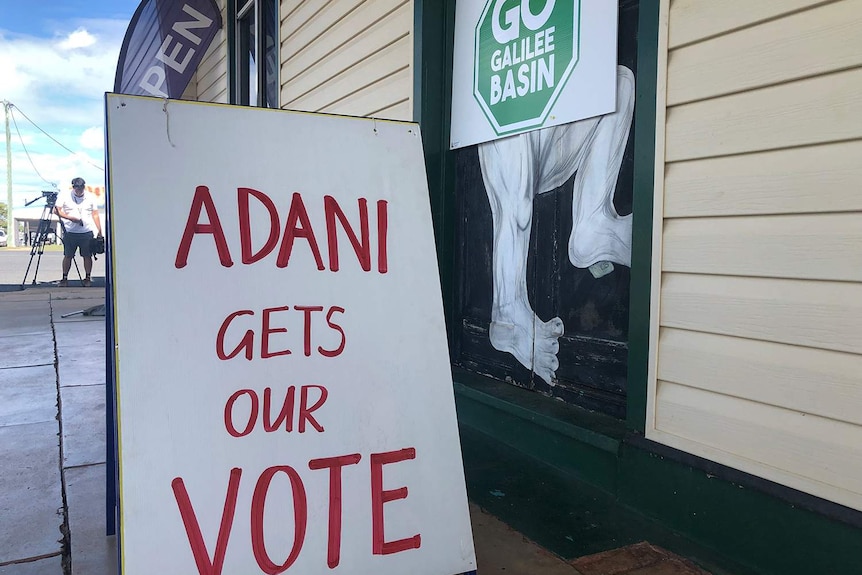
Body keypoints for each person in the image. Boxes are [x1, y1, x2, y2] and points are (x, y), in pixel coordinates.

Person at [55, 177, 103, 287]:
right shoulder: (65, 195)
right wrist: (70, 218)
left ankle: (87, 277)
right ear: (73, 187)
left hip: (86, 231)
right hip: (70, 231)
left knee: (87, 255)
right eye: (77, 189)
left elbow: (95, 214)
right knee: (68, 255)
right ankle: (64, 278)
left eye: (81, 189)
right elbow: (56, 210)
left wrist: (99, 230)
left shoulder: (90, 197)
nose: (79, 191)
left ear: (84, 187)